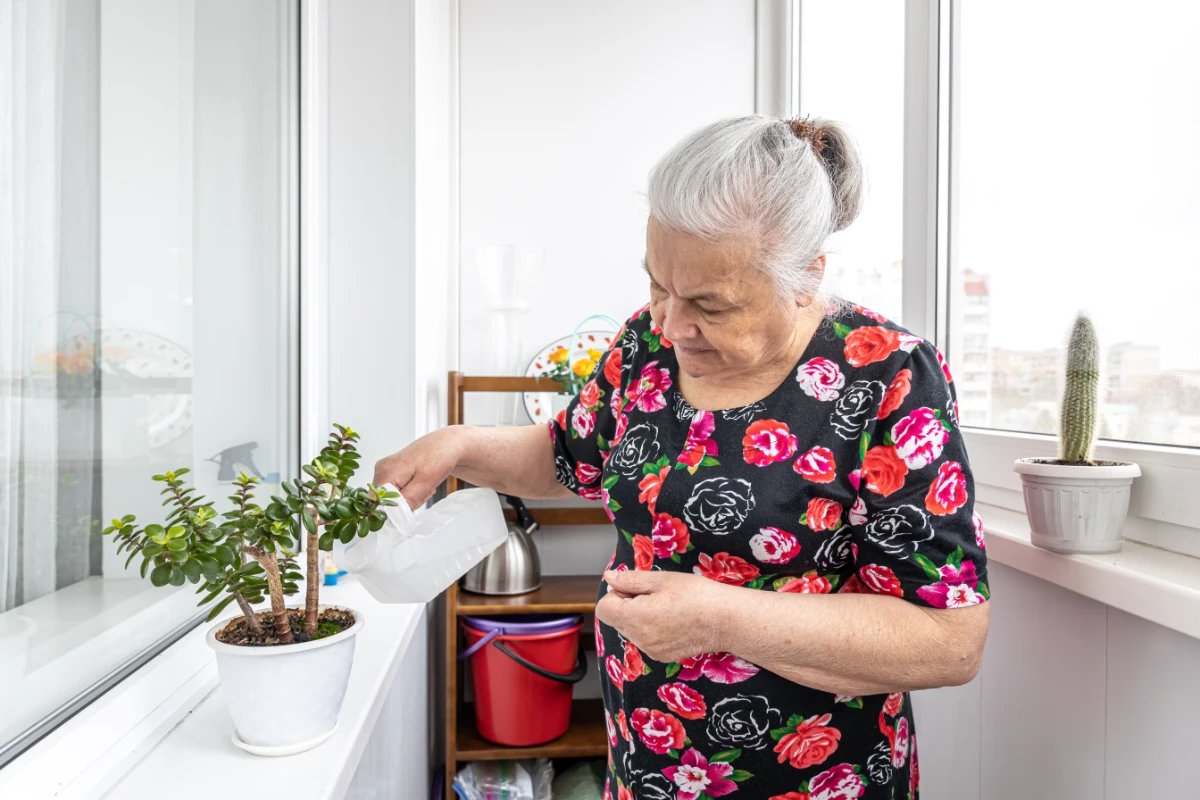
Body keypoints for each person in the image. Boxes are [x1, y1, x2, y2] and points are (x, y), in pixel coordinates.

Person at [375, 115, 989, 799]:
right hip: (644, 767)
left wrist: (722, 618)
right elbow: (564, 455)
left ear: (806, 278)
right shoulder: (645, 345)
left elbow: (948, 639)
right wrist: (459, 443)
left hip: (818, 779)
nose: (671, 323)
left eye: (710, 304)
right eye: (657, 285)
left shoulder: (887, 375)